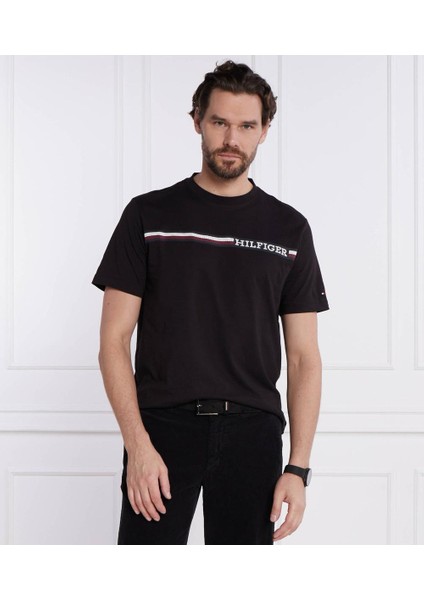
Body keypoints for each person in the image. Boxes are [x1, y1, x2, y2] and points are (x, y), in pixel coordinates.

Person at [91, 60, 329, 545]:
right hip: (161, 430)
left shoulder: (289, 229)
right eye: (220, 122)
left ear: (265, 131)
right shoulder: (148, 215)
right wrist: (138, 446)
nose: (231, 139)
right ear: (197, 120)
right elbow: (113, 341)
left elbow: (305, 358)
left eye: (247, 126)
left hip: (253, 433)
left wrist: (298, 468)